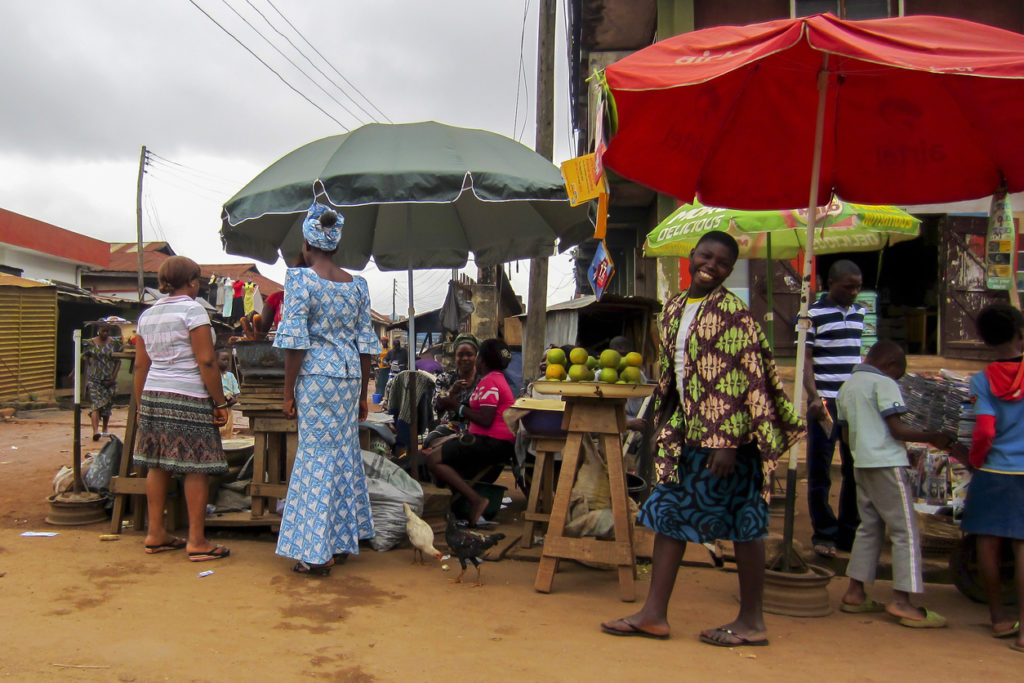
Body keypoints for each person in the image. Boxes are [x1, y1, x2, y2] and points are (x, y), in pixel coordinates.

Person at [601, 231, 803, 647]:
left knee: (746, 526)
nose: (712, 265)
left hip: (731, 443)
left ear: (730, 270)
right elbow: (681, 372)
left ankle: (752, 622)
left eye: (723, 262)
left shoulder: (735, 312)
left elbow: (742, 374)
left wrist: (727, 440)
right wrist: (661, 421)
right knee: (668, 513)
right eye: (706, 256)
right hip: (689, 434)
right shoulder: (674, 306)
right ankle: (654, 614)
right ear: (692, 255)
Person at [274, 201, 381, 576]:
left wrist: (287, 393)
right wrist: (365, 393)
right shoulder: (358, 286)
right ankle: (341, 538)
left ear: (307, 243)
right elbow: (366, 344)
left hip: (317, 379)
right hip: (349, 379)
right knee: (342, 454)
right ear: (335, 245)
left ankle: (317, 553)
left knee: (316, 457)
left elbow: (296, 343)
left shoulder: (300, 279)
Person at [837, 341, 956, 627]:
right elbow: (896, 428)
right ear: (890, 365)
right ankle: (902, 601)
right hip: (887, 463)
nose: (898, 378)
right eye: (899, 373)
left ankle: (855, 591)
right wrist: (932, 436)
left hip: (861, 463)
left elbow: (843, 433)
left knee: (869, 528)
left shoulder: (847, 386)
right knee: (905, 531)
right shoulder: (884, 383)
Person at [133, 256, 231, 561]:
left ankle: (155, 534)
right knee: (197, 466)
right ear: (191, 282)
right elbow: (206, 361)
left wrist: (141, 406)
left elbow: (140, 365)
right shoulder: (192, 310)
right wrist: (220, 401)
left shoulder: (147, 316)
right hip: (188, 395)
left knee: (157, 463)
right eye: (197, 280)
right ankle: (197, 541)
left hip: (153, 395)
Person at [962, 304, 1024, 648]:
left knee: (987, 541)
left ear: (985, 340)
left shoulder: (981, 380)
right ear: (1020, 333)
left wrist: (975, 460)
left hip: (993, 470)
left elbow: (984, 430)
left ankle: (999, 618)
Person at [802, 259, 865, 558]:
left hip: (854, 405)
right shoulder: (811, 315)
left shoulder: (860, 312)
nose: (854, 292)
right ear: (831, 284)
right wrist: (813, 396)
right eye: (848, 286)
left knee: (855, 469)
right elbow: (806, 358)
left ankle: (849, 533)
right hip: (824, 405)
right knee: (820, 470)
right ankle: (824, 533)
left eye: (858, 286)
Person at [427, 338, 516, 526]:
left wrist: (456, 406)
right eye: (461, 355)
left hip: (491, 442)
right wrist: (452, 397)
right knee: (436, 448)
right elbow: (445, 407)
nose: (467, 359)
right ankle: (460, 506)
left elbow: (485, 418)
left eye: (472, 356)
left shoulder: (488, 382)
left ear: (480, 359)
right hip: (492, 441)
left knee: (433, 459)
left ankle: (475, 500)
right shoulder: (495, 379)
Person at [422, 333, 480, 454]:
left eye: (469, 354)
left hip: (477, 428)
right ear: (455, 357)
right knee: (429, 441)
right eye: (460, 355)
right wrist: (452, 391)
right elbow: (437, 404)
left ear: (476, 356)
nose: (465, 358)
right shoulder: (445, 378)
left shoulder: (483, 380)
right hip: (451, 427)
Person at [83, 322, 121, 440]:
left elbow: (118, 361)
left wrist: (113, 378)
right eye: (103, 331)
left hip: (109, 378)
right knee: (96, 404)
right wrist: (76, 372)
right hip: (94, 378)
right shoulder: (90, 343)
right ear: (98, 330)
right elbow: (84, 357)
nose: (105, 333)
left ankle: (105, 429)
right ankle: (95, 431)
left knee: (107, 405)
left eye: (107, 331)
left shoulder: (114, 343)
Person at [217, 348, 239, 438]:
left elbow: (236, 394)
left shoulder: (231, 376)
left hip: (228, 409)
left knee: (227, 433)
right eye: (223, 359)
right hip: (216, 409)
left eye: (227, 360)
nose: (226, 362)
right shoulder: (213, 375)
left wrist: (231, 400)